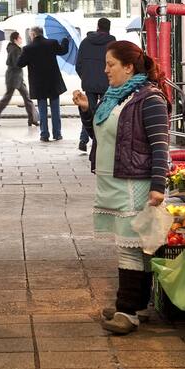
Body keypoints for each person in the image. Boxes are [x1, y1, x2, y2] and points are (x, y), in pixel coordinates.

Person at [73, 41, 170, 336]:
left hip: (133, 183)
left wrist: (158, 184)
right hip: (111, 181)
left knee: (128, 247)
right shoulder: (115, 98)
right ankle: (138, 305)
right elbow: (99, 136)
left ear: (128, 67)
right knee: (135, 247)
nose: (105, 70)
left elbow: (160, 145)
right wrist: (88, 111)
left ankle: (126, 311)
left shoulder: (149, 98)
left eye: (110, 64)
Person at [17, 26, 70, 142]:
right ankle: (57, 134)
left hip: (39, 83)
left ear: (33, 35)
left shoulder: (28, 48)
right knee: (55, 109)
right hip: (53, 81)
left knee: (42, 109)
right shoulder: (52, 43)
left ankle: (44, 134)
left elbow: (20, 64)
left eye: (30, 34)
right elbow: (63, 51)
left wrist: (21, 52)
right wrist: (65, 40)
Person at [75, 17, 115, 152]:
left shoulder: (85, 42)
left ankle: (83, 139)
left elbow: (78, 65)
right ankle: (101, 141)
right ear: (109, 28)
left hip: (89, 83)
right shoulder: (112, 43)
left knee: (89, 110)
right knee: (105, 112)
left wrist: (86, 77)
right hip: (107, 83)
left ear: (97, 26)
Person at [0, 31, 38, 127]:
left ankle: (33, 119)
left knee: (25, 98)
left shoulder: (13, 48)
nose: (21, 40)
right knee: (10, 99)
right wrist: (25, 58)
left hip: (15, 77)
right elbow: (16, 63)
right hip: (14, 78)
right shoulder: (15, 50)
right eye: (20, 38)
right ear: (15, 39)